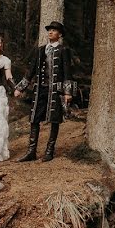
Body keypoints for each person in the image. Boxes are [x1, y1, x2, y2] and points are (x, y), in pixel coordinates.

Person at [13, 21, 73, 162]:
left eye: (54, 30)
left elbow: (68, 72)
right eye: (49, 30)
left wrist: (68, 92)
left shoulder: (64, 50)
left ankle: (49, 152)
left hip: (56, 91)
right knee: (34, 118)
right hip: (40, 90)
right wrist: (20, 87)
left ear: (60, 34)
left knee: (54, 119)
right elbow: (31, 70)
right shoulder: (40, 50)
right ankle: (31, 152)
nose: (50, 32)